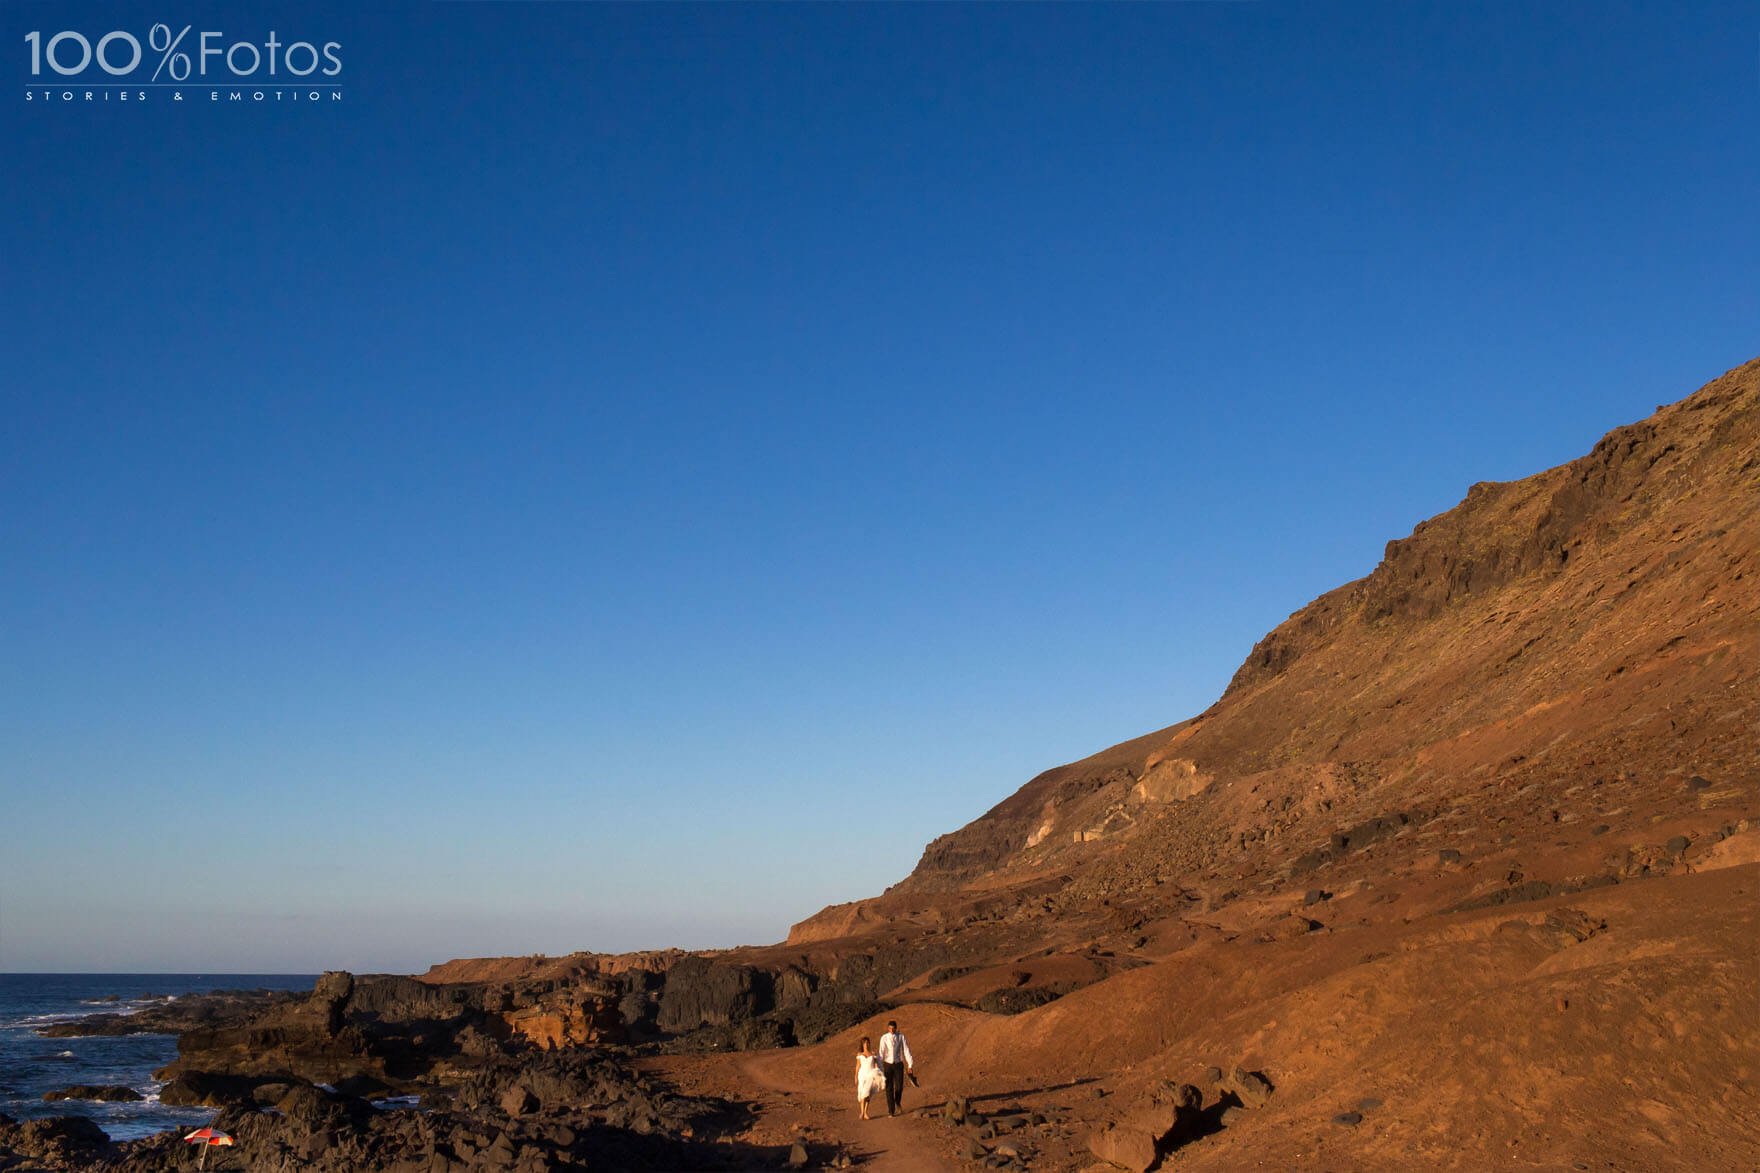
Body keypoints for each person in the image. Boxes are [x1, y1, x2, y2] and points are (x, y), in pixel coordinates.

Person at [877, 1019, 914, 1116]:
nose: (891, 1030)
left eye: (893, 1028)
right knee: (889, 1088)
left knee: (899, 1087)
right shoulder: (884, 1038)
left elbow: (906, 1050)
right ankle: (891, 1110)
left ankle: (897, 1101)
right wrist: (880, 1068)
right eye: (890, 1028)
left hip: (898, 1064)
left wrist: (910, 1064)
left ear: (896, 1029)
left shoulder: (901, 1037)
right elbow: (881, 1053)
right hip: (888, 1064)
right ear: (888, 1028)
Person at [855, 1035, 884, 1120]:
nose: (866, 1044)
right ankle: (862, 1112)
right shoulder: (860, 1055)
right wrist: (855, 1076)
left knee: (867, 1094)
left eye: (867, 1043)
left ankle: (865, 1113)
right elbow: (858, 1066)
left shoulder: (873, 1054)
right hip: (862, 1075)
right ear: (862, 1044)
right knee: (863, 1093)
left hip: (870, 1075)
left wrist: (878, 1073)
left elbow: (875, 1065)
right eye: (864, 1043)